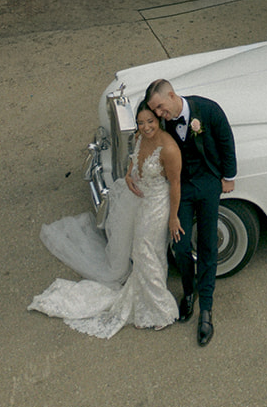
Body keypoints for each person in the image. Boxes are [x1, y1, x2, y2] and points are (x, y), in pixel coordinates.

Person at [29, 103, 181, 338]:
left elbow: (175, 184)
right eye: (141, 123)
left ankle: (162, 310)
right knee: (146, 252)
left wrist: (173, 218)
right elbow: (134, 161)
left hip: (157, 205)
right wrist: (129, 176)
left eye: (150, 121)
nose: (145, 127)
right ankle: (145, 304)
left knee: (146, 251)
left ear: (158, 120)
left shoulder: (169, 149)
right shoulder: (140, 138)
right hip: (140, 201)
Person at [143, 77, 237, 347]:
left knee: (208, 244)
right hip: (181, 186)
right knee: (181, 245)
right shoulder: (163, 121)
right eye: (155, 110)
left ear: (172, 96)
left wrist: (229, 176)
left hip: (208, 182)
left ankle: (206, 309)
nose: (159, 113)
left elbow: (226, 141)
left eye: (160, 107)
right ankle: (188, 292)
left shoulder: (208, 110)